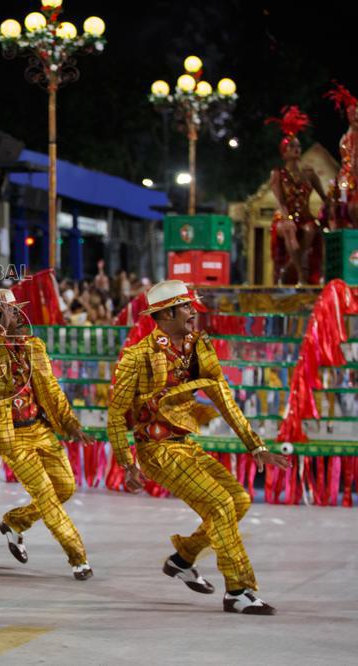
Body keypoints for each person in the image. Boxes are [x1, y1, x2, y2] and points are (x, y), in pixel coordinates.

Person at [108, 280, 291, 615]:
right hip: (157, 452)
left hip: (185, 445)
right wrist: (127, 462)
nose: (193, 312)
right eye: (186, 307)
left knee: (239, 500)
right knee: (220, 504)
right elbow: (116, 413)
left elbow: (223, 397)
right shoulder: (137, 357)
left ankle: (182, 558)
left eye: (192, 306)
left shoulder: (198, 348)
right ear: (165, 314)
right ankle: (238, 590)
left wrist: (255, 446)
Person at [0, 289, 94, 580]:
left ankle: (15, 522)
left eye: (18, 311)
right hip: (12, 437)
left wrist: (70, 423)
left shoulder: (33, 346)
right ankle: (78, 558)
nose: (20, 316)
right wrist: (3, 333)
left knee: (66, 487)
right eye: (12, 312)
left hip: (40, 428)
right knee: (46, 496)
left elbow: (50, 388)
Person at [265, 106, 329, 285]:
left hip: (306, 217)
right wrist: (288, 218)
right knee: (289, 229)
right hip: (285, 217)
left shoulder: (309, 173)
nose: (296, 149)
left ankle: (290, 266)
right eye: (292, 146)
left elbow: (324, 197)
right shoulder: (277, 173)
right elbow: (280, 201)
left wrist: (332, 201)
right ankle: (300, 274)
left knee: (310, 228)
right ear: (284, 152)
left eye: (299, 146)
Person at [325, 82, 358, 228]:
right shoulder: (344, 138)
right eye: (353, 114)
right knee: (335, 201)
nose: (356, 117)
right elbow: (346, 163)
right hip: (347, 180)